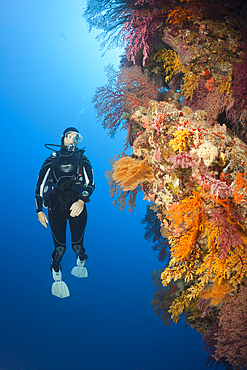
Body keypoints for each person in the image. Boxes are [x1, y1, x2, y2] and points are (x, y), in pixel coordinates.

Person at [35, 127, 95, 298]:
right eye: (70, 136)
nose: (73, 140)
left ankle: (81, 259)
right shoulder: (51, 160)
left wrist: (82, 200)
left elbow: (91, 183)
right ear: (63, 138)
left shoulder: (83, 160)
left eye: (76, 138)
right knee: (60, 249)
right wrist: (39, 210)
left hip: (77, 207)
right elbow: (39, 187)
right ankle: (56, 271)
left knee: (77, 247)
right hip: (55, 208)